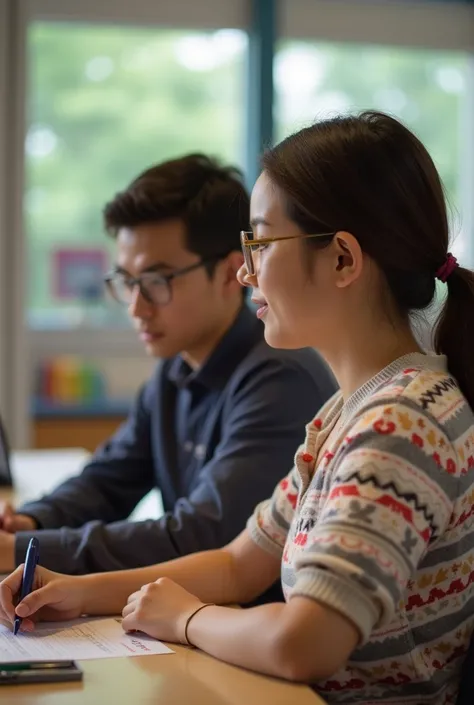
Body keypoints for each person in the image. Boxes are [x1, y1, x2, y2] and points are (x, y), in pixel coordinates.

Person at [2, 111, 474, 704]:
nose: (246, 271)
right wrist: (74, 587)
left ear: (343, 260)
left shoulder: (400, 423)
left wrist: (186, 618)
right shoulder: (349, 410)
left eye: (261, 243)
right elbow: (236, 564)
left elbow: (306, 642)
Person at [0, 153, 335, 577]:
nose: (137, 308)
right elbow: (110, 478)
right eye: (127, 282)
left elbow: (201, 535)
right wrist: (30, 521)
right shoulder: (176, 367)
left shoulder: (279, 378)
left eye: (156, 281)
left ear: (232, 271)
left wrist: (21, 551)